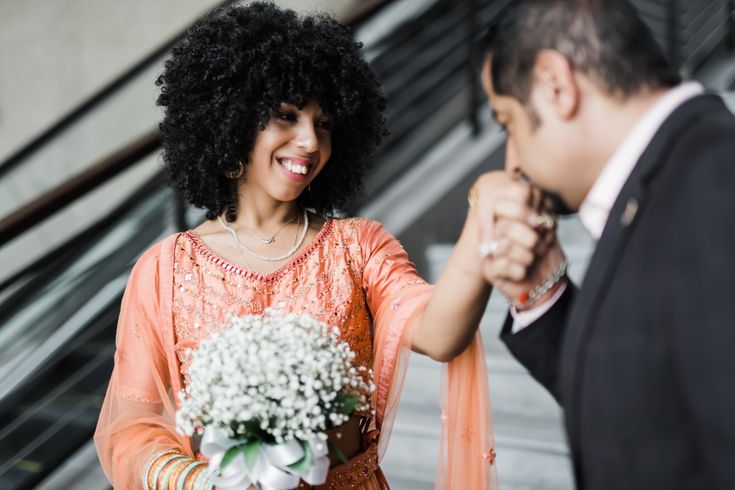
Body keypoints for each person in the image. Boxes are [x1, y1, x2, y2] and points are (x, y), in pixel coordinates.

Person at [95, 3, 499, 489]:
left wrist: (485, 227)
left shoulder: (358, 247)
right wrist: (201, 483)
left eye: (324, 123)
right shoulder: (164, 269)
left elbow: (440, 334)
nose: (309, 141)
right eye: (286, 117)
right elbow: (132, 430)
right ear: (232, 122)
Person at [468, 0, 735, 488]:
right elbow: (648, 412)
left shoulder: (715, 184)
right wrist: (543, 293)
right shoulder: (665, 181)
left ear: (555, 83)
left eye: (508, 124)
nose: (513, 163)